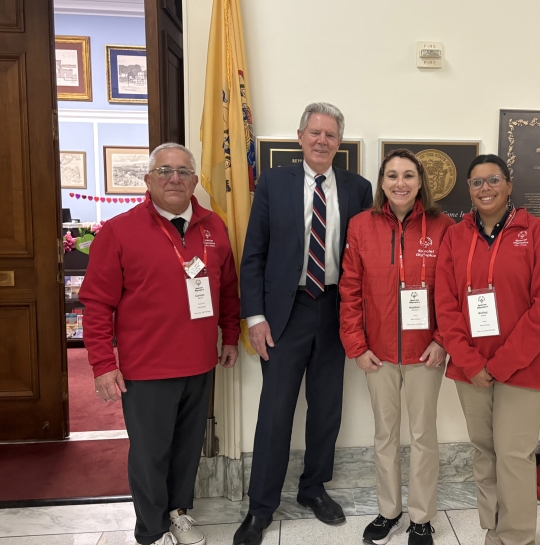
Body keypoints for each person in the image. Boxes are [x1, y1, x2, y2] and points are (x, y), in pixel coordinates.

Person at [79, 143, 241, 545]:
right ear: (148, 180)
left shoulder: (213, 227)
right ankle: (151, 532)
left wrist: (231, 337)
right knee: (150, 454)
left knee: (188, 448)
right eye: (165, 171)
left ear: (195, 181)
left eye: (184, 172)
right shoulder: (119, 230)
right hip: (146, 369)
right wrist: (103, 363)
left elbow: (230, 291)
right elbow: (97, 303)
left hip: (200, 363)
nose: (175, 178)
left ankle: (178, 512)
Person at [234, 103, 373, 545]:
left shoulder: (358, 188)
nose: (321, 141)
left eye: (330, 135)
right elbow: (253, 253)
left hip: (335, 310)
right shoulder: (274, 182)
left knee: (327, 409)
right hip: (284, 315)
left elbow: (366, 259)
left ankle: (314, 489)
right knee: (275, 413)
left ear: (339, 142)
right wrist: (255, 317)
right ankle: (261, 507)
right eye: (314, 132)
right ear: (300, 136)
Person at [434, 154, 540, 545]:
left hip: (526, 367)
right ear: (469, 191)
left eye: (493, 180)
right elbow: (446, 305)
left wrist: (502, 363)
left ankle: (518, 537)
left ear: (508, 185)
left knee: (513, 454)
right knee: (485, 451)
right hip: (471, 369)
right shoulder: (455, 237)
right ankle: (494, 529)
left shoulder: (535, 231)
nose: (485, 188)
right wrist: (472, 363)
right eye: (476, 183)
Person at [339, 149, 454, 545]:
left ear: (421, 182)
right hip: (379, 353)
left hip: (427, 353)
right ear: (382, 182)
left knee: (424, 436)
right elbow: (350, 289)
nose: (400, 183)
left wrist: (442, 340)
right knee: (385, 435)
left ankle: (422, 517)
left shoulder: (443, 227)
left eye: (408, 175)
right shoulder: (360, 226)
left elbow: (452, 292)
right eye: (392, 176)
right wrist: (356, 345)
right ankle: (388, 512)